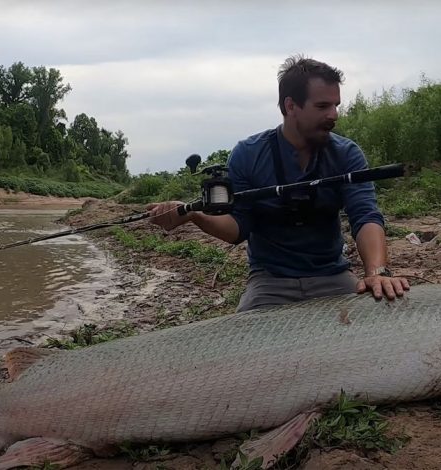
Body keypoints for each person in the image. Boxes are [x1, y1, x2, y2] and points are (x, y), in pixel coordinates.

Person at [147, 55, 409, 312]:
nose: (334, 115)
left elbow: (365, 216)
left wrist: (377, 272)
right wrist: (193, 214)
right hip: (269, 282)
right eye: (322, 106)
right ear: (290, 105)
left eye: (335, 105)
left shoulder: (347, 154)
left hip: (333, 275)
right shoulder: (248, 154)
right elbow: (237, 228)